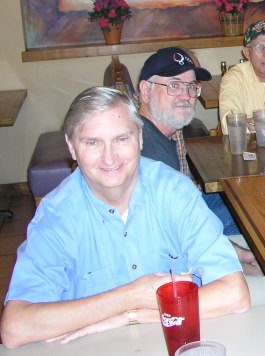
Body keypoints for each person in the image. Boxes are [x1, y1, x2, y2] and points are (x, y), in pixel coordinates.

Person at [0, 87, 250, 349]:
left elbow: (234, 294)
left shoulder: (174, 191)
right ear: (71, 147)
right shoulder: (57, 215)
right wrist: (129, 296)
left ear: (140, 139)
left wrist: (132, 316)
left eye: (121, 139)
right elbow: (15, 327)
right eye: (92, 142)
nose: (110, 158)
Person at [136, 46, 257, 269]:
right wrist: (238, 252)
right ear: (145, 91)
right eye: (174, 85)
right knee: (253, 217)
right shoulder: (149, 157)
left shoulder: (162, 127)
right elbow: (178, 234)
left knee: (246, 197)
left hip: (187, 203)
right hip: (173, 261)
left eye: (191, 87)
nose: (186, 95)